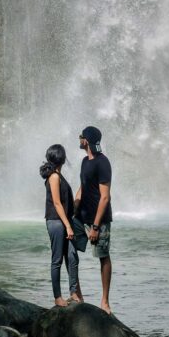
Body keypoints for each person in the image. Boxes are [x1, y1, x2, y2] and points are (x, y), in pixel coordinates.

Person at [73, 125, 113, 314]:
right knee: (69, 248)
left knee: (103, 257)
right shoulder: (84, 161)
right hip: (82, 218)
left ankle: (104, 301)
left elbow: (105, 197)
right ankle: (77, 295)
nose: (79, 139)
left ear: (86, 140)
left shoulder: (102, 162)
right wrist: (72, 211)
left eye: (81, 136)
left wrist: (96, 226)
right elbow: (81, 188)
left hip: (99, 220)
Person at [40, 144, 83, 307]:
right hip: (56, 222)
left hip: (64, 221)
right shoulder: (54, 177)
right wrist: (68, 226)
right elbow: (57, 204)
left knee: (72, 256)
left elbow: (65, 203)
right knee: (57, 259)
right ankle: (58, 297)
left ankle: (73, 292)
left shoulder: (58, 175)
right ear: (62, 159)